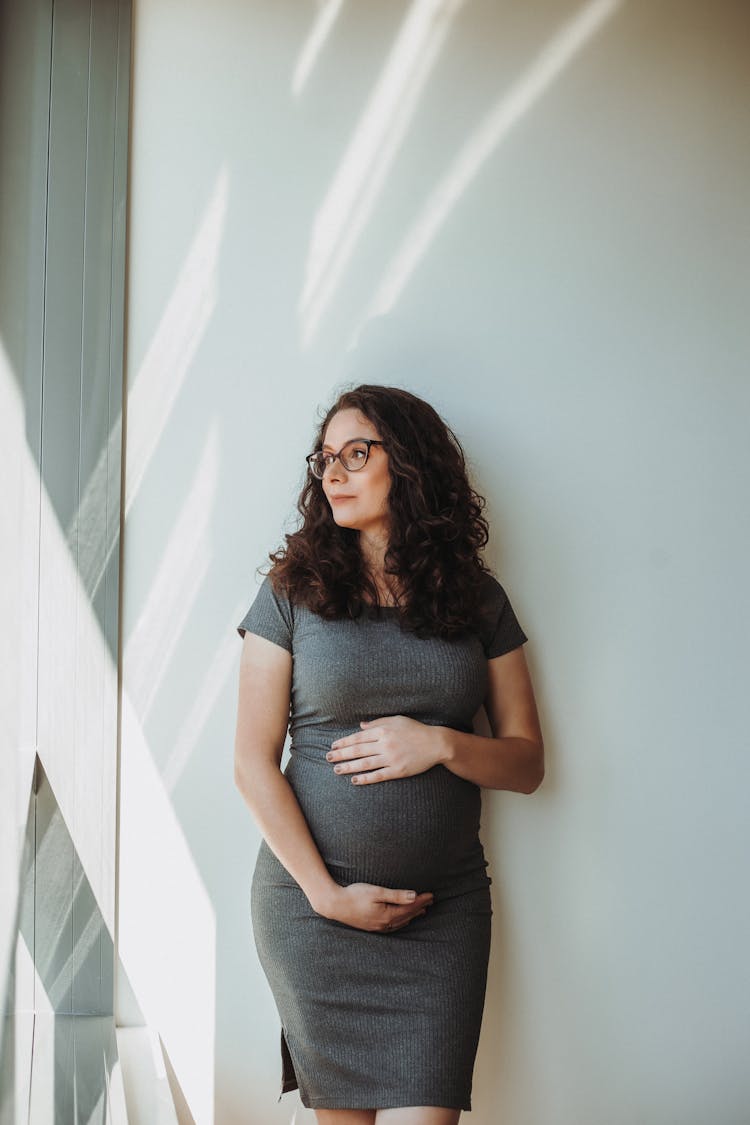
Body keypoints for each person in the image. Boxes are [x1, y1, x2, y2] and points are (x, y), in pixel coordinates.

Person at [234, 384, 544, 1125]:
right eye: (324, 458)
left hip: (443, 917)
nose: (331, 472)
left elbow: (527, 762)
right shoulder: (291, 593)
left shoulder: (476, 598)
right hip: (313, 912)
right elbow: (250, 760)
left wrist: (439, 741)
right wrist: (326, 895)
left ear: (407, 464)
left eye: (355, 453)